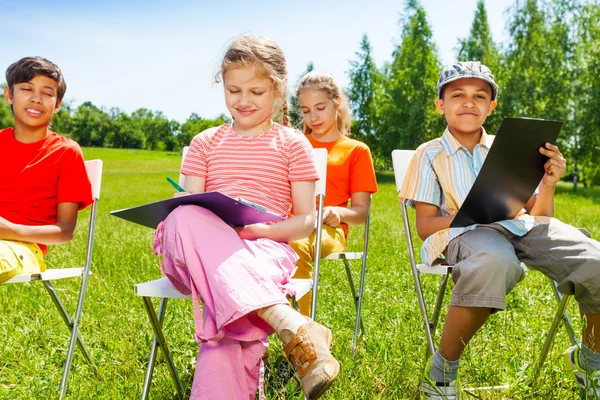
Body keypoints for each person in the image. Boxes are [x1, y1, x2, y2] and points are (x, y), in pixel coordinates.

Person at [399, 61, 600, 399]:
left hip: (521, 226)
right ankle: (442, 373)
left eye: (479, 96)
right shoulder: (429, 154)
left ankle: (590, 362)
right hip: (466, 233)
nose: (468, 102)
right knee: (495, 262)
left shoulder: (509, 148)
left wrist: (548, 184)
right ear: (440, 105)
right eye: (457, 95)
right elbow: (425, 226)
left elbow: (542, 216)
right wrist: (473, 213)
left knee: (595, 261)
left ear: (491, 107)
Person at [152, 37, 340, 400]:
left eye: (255, 91)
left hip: (263, 249)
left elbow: (306, 220)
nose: (243, 100)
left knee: (225, 316)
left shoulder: (292, 143)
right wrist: (183, 204)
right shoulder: (204, 143)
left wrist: (258, 230)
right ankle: (289, 323)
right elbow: (191, 206)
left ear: (278, 89)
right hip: (194, 254)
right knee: (186, 213)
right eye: (233, 89)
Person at [290, 71, 378, 316]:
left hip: (329, 230)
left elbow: (361, 213)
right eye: (306, 111)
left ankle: (301, 331)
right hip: (288, 223)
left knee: (295, 244)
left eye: (320, 107)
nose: (313, 117)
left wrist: (336, 212)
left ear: (336, 102)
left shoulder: (356, 151)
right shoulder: (294, 144)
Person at [0, 56, 92, 283]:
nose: (36, 99)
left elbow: (65, 231)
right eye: (26, 89)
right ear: (9, 95)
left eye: (47, 93)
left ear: (58, 103)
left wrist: (9, 229)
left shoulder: (67, 152)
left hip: (25, 249)